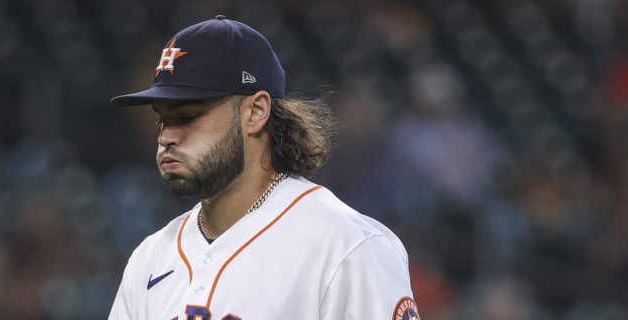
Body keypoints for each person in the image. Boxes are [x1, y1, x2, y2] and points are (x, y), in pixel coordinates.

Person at [107, 15, 419, 320]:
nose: (165, 136)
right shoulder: (150, 259)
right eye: (162, 118)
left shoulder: (346, 248)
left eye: (187, 115)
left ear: (256, 111)